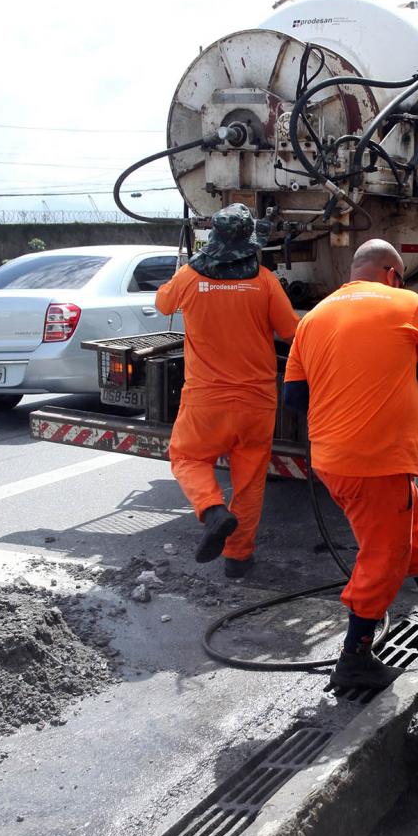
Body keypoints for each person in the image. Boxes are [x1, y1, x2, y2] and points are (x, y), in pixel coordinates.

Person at [283, 238, 418, 691]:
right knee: (385, 553)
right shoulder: (408, 302)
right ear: (392, 274)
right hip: (375, 458)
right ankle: (355, 658)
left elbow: (295, 398)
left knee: (409, 522)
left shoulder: (314, 317)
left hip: (332, 458)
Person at [156, 204, 297, 577]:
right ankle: (238, 559)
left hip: (206, 401)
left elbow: (163, 302)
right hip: (256, 402)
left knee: (186, 459)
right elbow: (291, 331)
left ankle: (213, 510)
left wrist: (198, 263)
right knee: (249, 483)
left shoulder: (188, 277)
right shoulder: (264, 281)